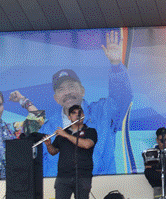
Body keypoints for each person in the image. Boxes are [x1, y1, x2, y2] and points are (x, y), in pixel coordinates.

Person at [40, 30, 133, 177]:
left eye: (71, 86)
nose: (67, 92)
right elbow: (43, 167)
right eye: (61, 89)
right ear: (56, 98)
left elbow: (122, 97)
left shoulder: (103, 113)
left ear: (82, 91)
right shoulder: (47, 129)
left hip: (101, 186)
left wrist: (116, 65)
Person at [44, 105, 98, 199]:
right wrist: (48, 145)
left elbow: (86, 145)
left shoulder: (90, 131)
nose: (77, 115)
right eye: (73, 113)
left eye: (79, 113)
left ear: (83, 115)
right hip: (63, 177)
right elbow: (54, 151)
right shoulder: (63, 133)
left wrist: (66, 135)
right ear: (69, 117)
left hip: (83, 176)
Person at [0, 91, 43, 180]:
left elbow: (37, 120)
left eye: (0, 105)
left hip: (9, 184)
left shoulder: (10, 129)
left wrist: (22, 99)